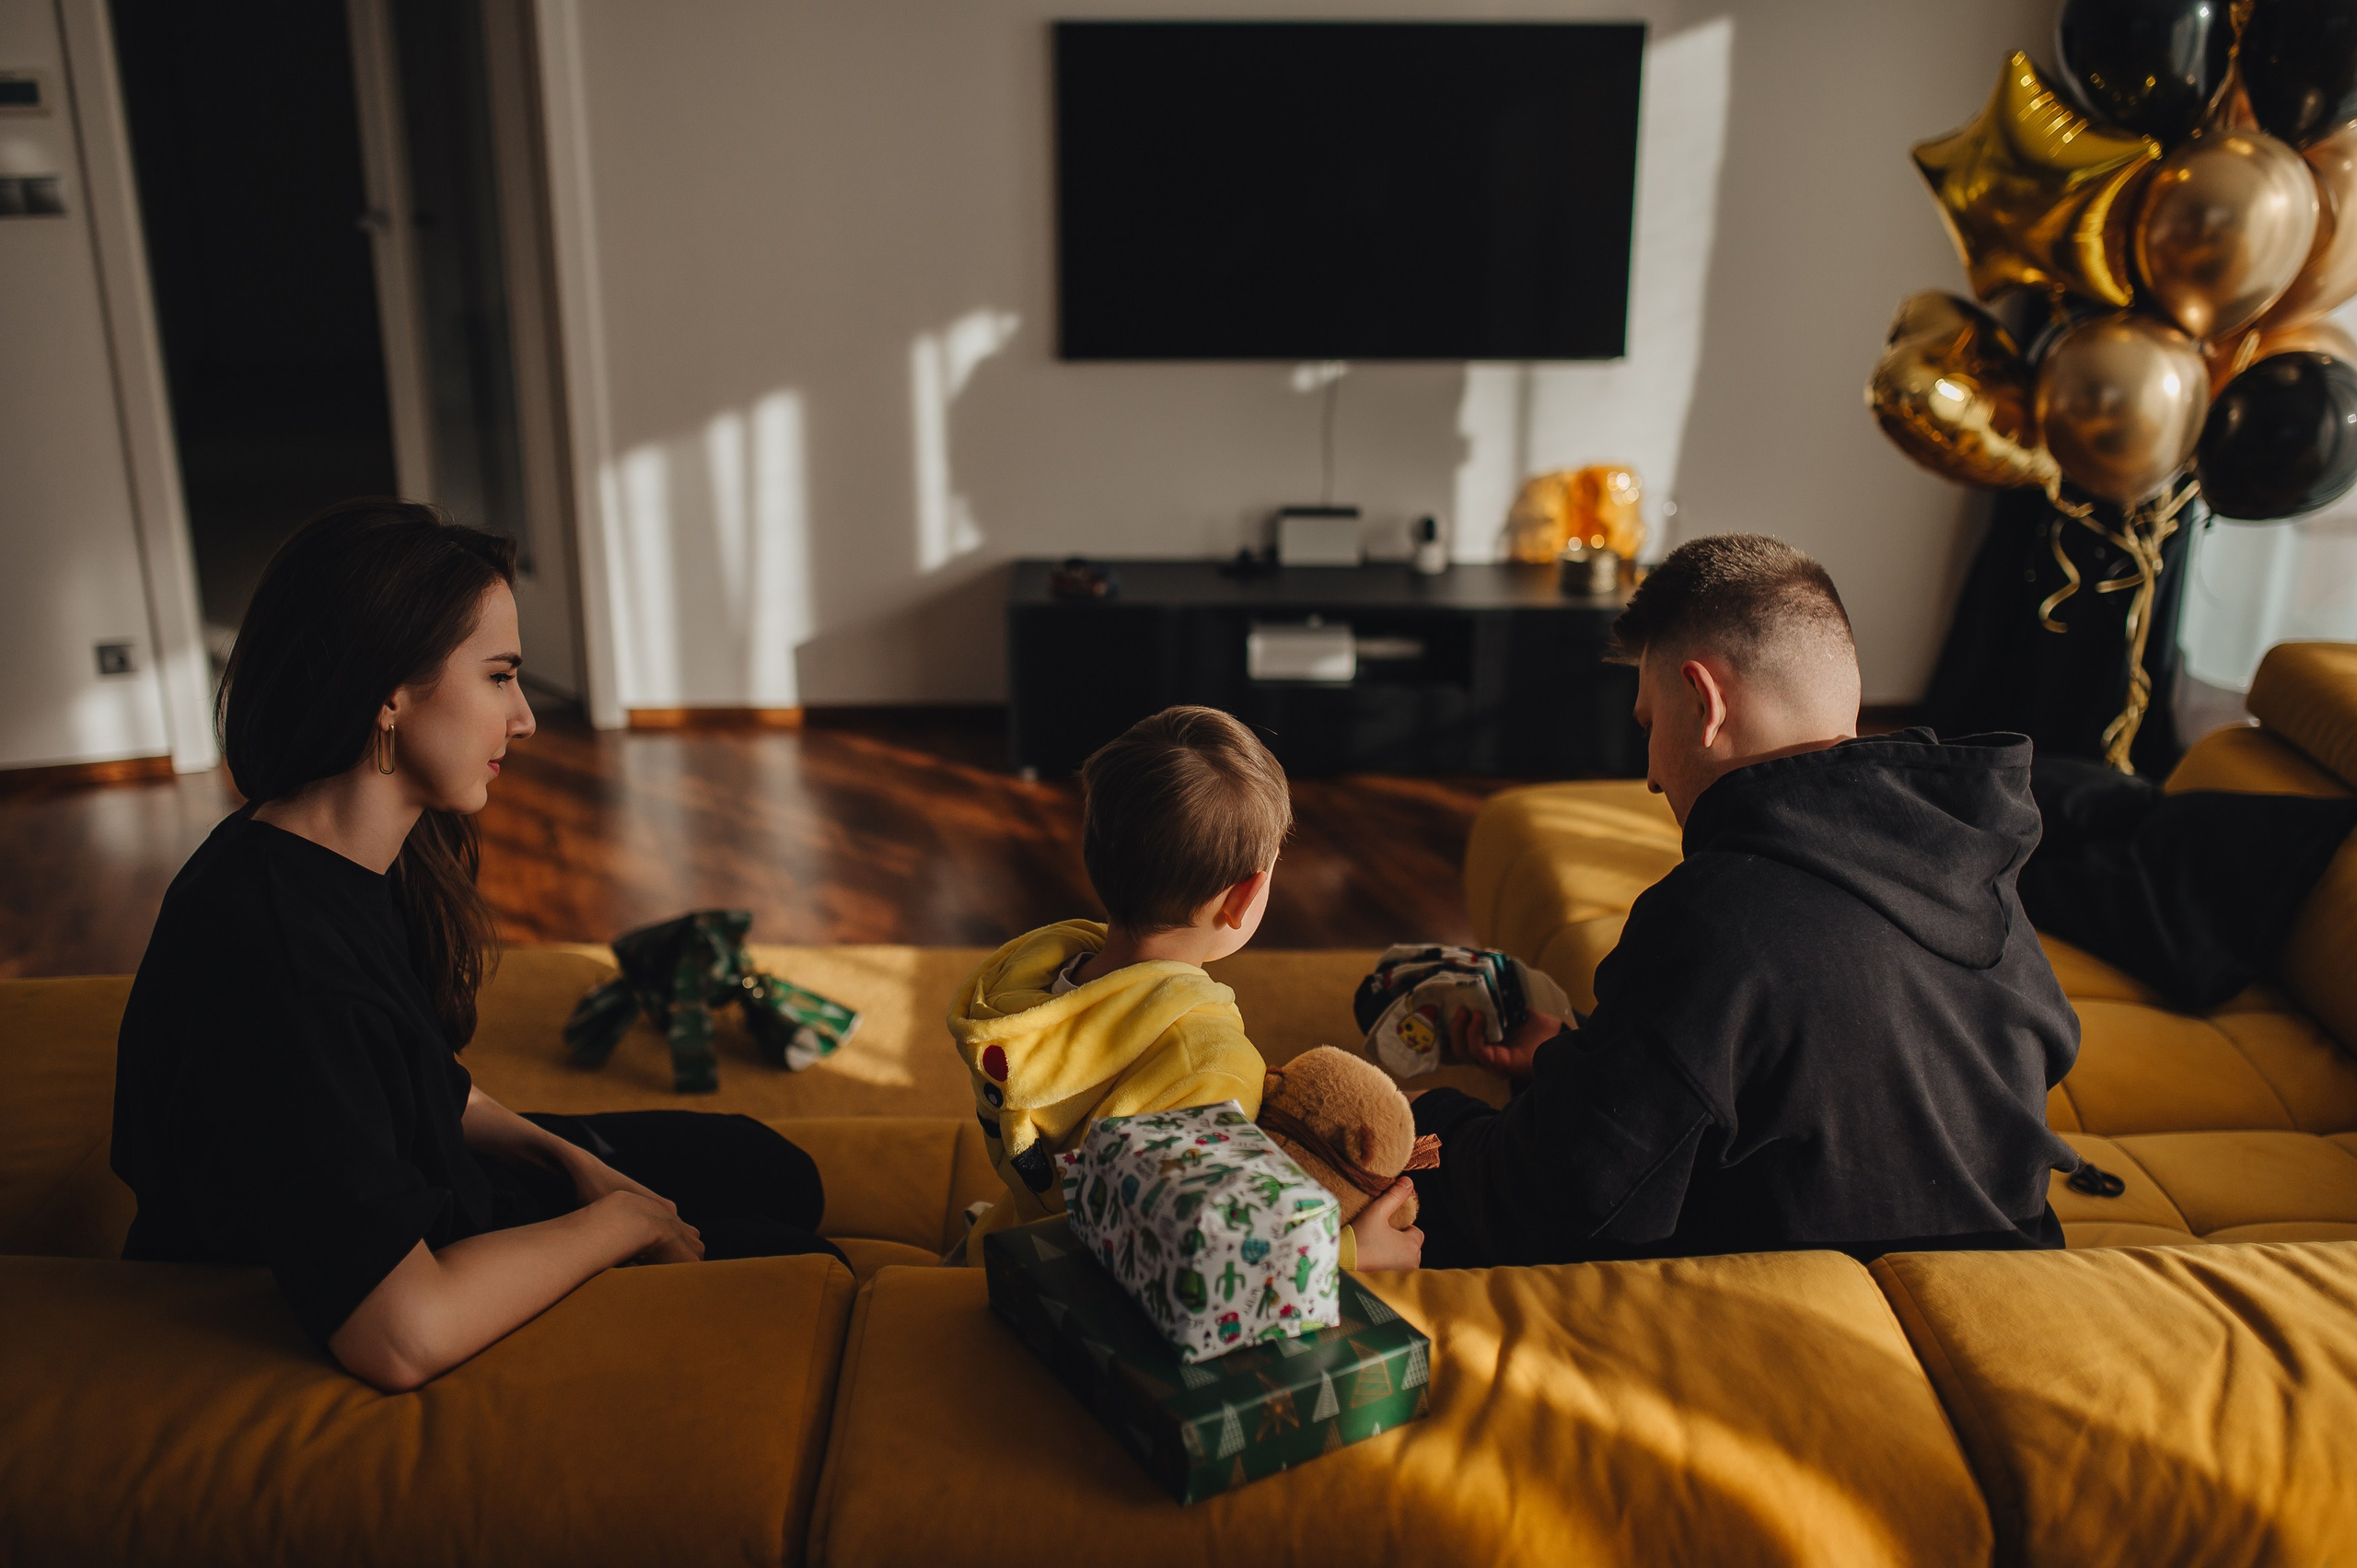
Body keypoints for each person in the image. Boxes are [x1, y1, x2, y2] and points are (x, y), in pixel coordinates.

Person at [111, 500, 842, 1393]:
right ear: (389, 689)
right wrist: (622, 1224)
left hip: (430, 1183)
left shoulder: (346, 853)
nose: (527, 718)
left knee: (771, 1168)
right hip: (382, 1275)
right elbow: (399, 1332)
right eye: (499, 676)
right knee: (813, 1269)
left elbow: (412, 1077)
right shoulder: (275, 949)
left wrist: (560, 1156)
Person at [1408, 534, 2083, 1267]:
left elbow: (1551, 1202)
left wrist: (1432, 1119)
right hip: (2017, 1284)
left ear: (1703, 702)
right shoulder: (1975, 867)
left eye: (1647, 725)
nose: (1652, 778)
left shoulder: (1714, 914)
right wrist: (1577, 1061)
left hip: (1803, 1323)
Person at [951, 706, 1421, 1268]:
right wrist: (1349, 1254)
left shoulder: (1020, 985)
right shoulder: (1209, 1064)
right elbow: (1192, 1254)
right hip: (1078, 1292)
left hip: (1004, 1246)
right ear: (1245, 897)